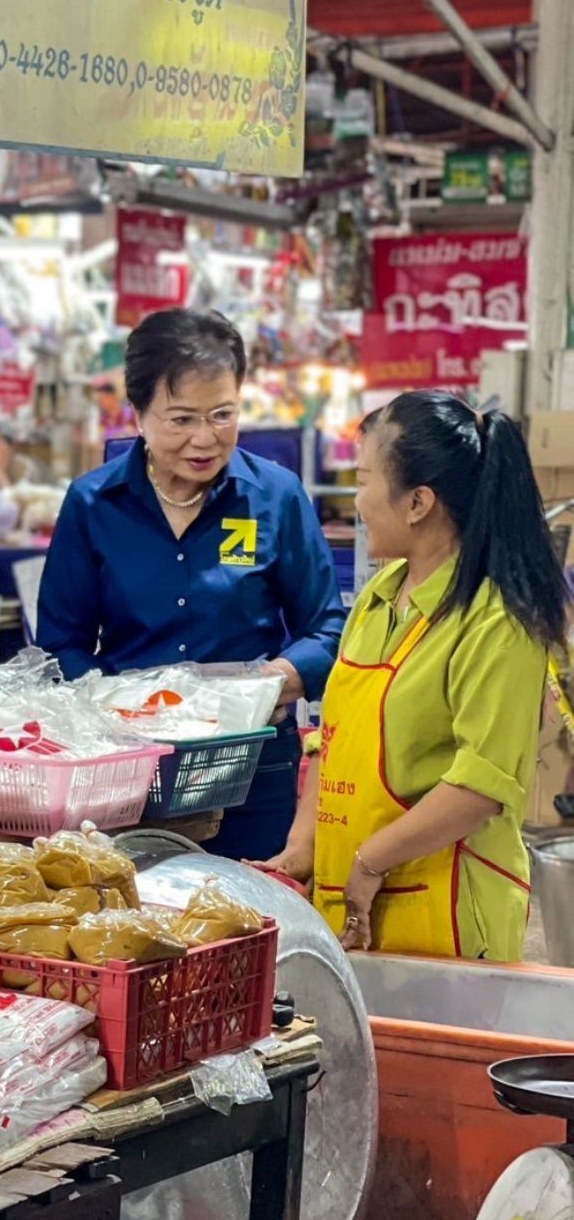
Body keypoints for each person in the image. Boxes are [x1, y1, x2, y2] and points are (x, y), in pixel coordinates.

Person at [258, 392, 568, 962]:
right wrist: (302, 847)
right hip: (348, 895)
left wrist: (371, 859)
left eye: (365, 479)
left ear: (418, 501)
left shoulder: (495, 619)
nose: (358, 499)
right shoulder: (379, 594)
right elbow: (334, 740)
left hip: (445, 906)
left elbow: (480, 786)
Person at [37, 308, 345, 860]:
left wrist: (279, 678)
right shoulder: (93, 504)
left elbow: (328, 625)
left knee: (253, 922)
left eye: (222, 415)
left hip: (253, 768)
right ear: (137, 415)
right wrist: (115, 705)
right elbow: (62, 643)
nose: (205, 439)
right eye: (180, 420)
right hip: (129, 773)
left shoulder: (275, 496)